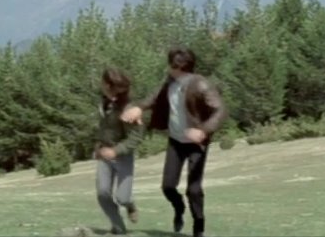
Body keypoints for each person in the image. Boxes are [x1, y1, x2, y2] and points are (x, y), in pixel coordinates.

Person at [120, 48, 227, 237]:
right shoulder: (169, 82)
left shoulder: (201, 84)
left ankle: (199, 227)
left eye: (170, 65)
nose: (168, 68)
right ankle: (179, 208)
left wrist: (203, 130)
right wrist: (139, 108)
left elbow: (220, 110)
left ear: (178, 66)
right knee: (168, 187)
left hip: (196, 143)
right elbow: (153, 98)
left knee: (194, 189)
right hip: (176, 141)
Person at [95, 68, 145, 235]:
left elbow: (136, 137)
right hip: (104, 154)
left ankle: (130, 205)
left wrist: (115, 151)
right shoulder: (103, 102)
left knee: (122, 198)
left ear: (109, 85)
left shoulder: (129, 108)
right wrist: (98, 145)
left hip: (123, 156)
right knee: (102, 194)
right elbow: (104, 127)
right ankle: (119, 228)